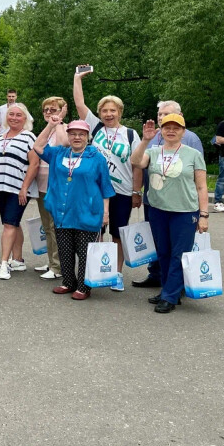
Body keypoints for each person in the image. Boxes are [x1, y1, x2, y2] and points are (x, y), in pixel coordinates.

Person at [73, 65, 142, 292]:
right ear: (100, 113)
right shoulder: (96, 128)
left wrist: (136, 191)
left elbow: (136, 165)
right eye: (104, 110)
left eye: (113, 110)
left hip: (121, 192)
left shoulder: (130, 134)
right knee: (95, 232)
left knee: (118, 233)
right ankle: (95, 270)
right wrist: (78, 78)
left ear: (120, 112)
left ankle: (117, 273)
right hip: (95, 191)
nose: (108, 114)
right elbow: (80, 104)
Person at [131, 114, 209, 313]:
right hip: (157, 210)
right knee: (163, 252)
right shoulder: (154, 151)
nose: (171, 131)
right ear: (161, 130)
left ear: (183, 131)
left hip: (184, 212)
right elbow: (136, 161)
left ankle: (170, 296)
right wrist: (145, 140)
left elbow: (201, 187)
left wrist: (204, 215)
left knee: (178, 254)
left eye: (176, 127)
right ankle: (169, 289)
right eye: (167, 127)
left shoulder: (192, 154)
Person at [33, 118, 115, 300]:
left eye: (81, 134)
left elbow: (105, 187)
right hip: (62, 211)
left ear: (88, 137)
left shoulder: (96, 157)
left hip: (87, 211)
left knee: (85, 251)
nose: (77, 137)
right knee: (64, 248)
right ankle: (68, 282)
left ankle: (84, 287)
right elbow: (38, 147)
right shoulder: (59, 154)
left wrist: (106, 213)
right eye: (73, 134)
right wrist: (51, 125)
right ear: (68, 136)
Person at [0, 102, 39, 280]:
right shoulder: (2, 136)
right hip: (1, 186)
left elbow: (34, 164)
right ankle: (17, 259)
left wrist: (24, 188)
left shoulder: (28, 137)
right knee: (13, 223)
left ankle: (4, 263)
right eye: (11, 114)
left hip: (17, 188)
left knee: (9, 225)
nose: (14, 118)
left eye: (19, 115)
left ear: (25, 119)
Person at [33, 97, 69, 279]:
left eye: (53, 109)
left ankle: (58, 267)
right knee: (47, 227)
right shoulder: (46, 130)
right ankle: (51, 262)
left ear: (62, 111)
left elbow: (63, 144)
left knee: (57, 227)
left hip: (58, 187)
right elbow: (37, 149)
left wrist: (59, 123)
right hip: (42, 186)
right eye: (46, 110)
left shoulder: (66, 129)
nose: (48, 112)